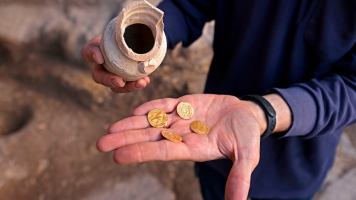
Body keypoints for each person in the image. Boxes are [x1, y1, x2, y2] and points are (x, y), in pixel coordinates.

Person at [81, 0, 356, 199]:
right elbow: (190, 5)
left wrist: (262, 112)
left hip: (294, 166)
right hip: (211, 137)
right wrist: (149, 39)